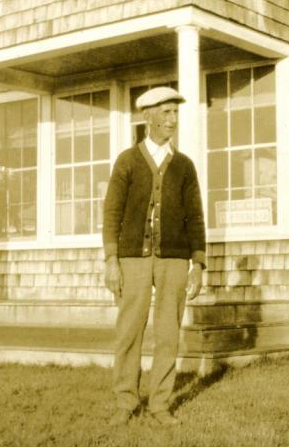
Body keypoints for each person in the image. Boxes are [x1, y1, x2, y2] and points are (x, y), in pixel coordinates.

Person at [103, 86, 206, 427]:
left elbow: (196, 216)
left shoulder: (185, 166)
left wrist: (198, 264)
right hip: (132, 259)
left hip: (174, 261)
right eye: (165, 112)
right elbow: (112, 213)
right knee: (129, 330)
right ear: (146, 116)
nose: (172, 119)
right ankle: (126, 401)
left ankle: (160, 404)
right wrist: (111, 261)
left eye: (175, 112)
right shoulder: (128, 161)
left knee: (167, 333)